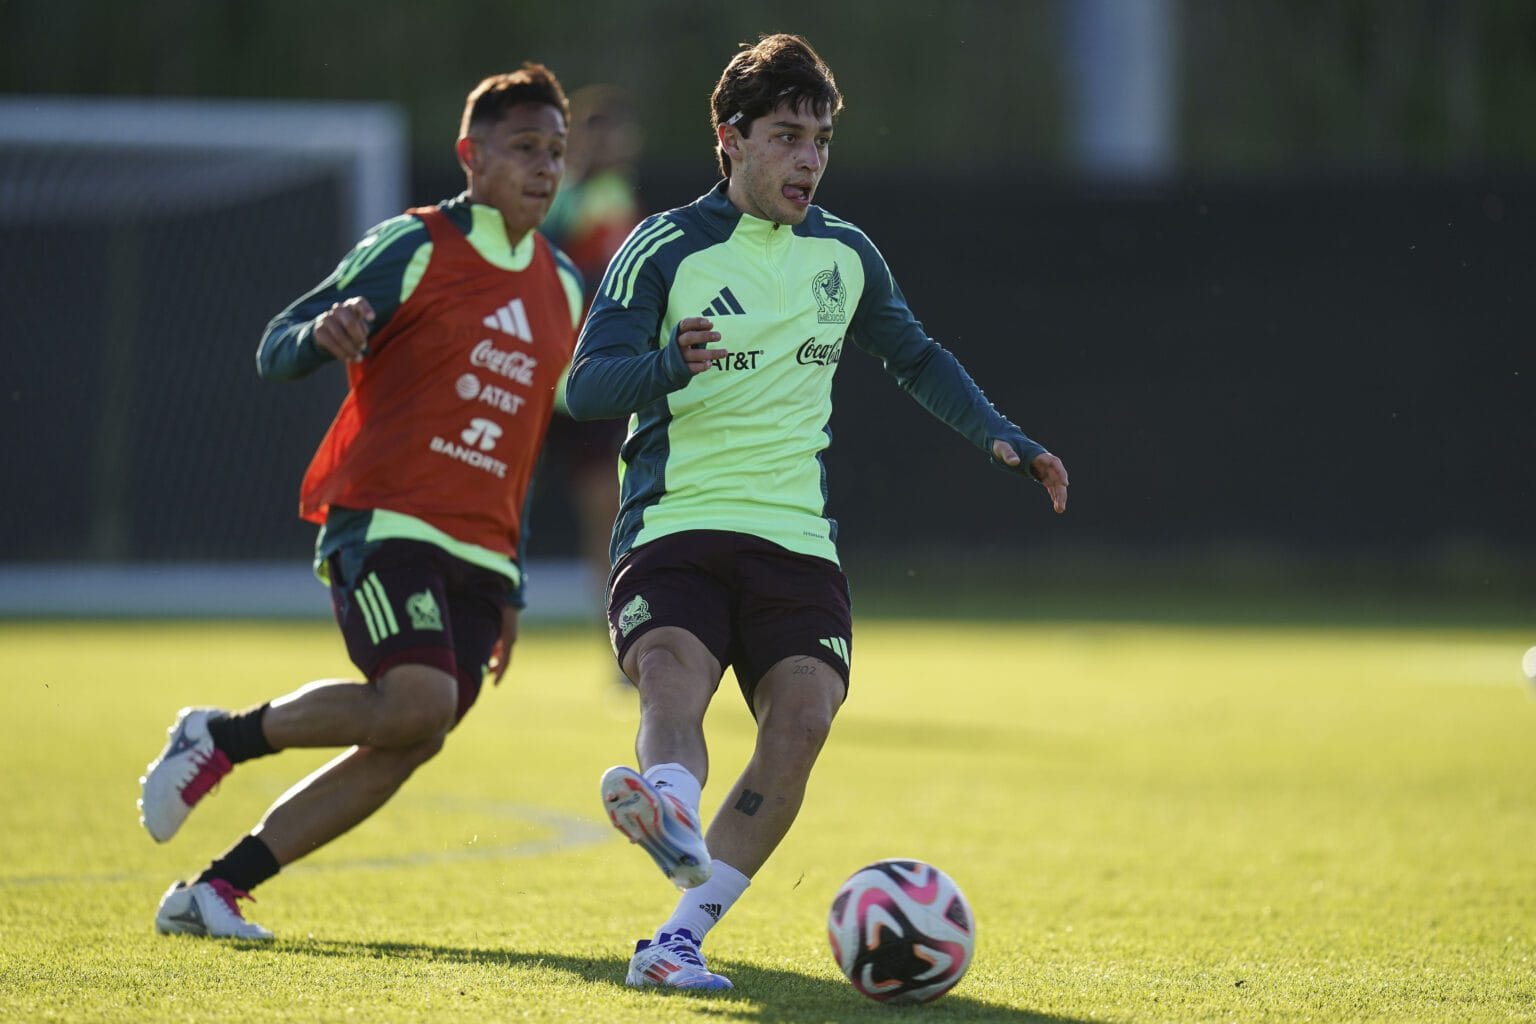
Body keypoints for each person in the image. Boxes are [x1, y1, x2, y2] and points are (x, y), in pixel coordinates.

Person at [564, 34, 1069, 991]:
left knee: (802, 720)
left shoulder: (843, 254)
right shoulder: (665, 246)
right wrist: (671, 365)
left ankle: (676, 941)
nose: (809, 158)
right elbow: (587, 387)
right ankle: (668, 807)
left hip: (794, 537)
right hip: (678, 518)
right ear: (731, 139)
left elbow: (914, 355)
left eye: (822, 139)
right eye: (788, 136)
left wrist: (1001, 436)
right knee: (673, 675)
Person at [136, 64, 583, 940]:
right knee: (419, 704)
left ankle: (215, 893)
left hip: (483, 559)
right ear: (471, 155)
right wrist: (320, 335)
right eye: (525, 147)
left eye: (557, 152)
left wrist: (515, 582)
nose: (544, 166)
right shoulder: (414, 246)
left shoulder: (563, 287)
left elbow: (522, 444)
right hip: (387, 522)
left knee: (416, 734)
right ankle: (220, 737)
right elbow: (277, 346)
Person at [539, 84, 644, 624]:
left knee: (607, 512)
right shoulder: (555, 198)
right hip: (532, 375)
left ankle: (620, 635)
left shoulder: (617, 198)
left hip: (582, 383)